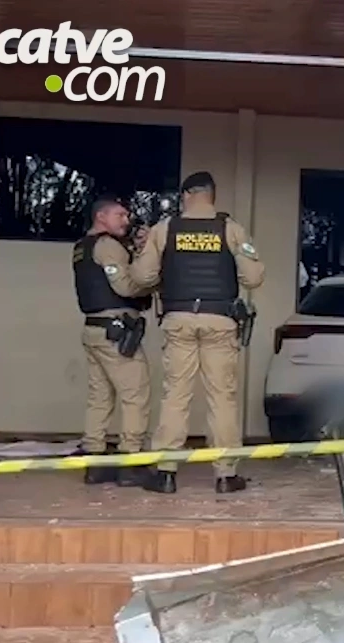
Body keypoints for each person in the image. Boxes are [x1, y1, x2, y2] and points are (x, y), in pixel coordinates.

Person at [130, 172, 265, 494]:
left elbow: (143, 276)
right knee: (222, 397)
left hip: (179, 321)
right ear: (212, 195)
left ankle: (165, 472)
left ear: (186, 194)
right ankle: (225, 474)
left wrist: (144, 250)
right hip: (220, 321)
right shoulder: (230, 229)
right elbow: (254, 277)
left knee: (175, 395)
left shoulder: (166, 229)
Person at [72, 195, 153, 486]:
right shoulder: (107, 245)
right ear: (101, 217)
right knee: (136, 394)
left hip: (94, 330)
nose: (126, 220)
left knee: (100, 397)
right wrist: (150, 273)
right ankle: (131, 461)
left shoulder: (82, 247)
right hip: (115, 332)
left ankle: (95, 460)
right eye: (120, 215)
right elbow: (125, 285)